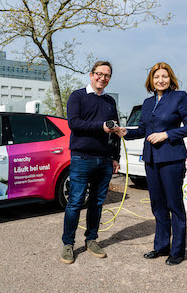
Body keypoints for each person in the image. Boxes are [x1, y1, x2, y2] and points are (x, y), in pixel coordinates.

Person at [117, 62, 187, 265]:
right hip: (151, 160)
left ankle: (178, 251)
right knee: (158, 206)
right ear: (151, 81)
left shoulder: (179, 97)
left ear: (170, 78)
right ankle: (161, 246)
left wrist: (166, 134)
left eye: (164, 76)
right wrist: (126, 132)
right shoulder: (146, 102)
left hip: (172, 159)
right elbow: (143, 130)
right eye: (156, 77)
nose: (160, 80)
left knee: (174, 205)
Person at [61, 61, 121, 264]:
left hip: (104, 160)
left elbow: (115, 132)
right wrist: (101, 126)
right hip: (82, 157)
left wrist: (115, 157)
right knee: (76, 201)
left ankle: (91, 239)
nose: (102, 78)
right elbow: (74, 123)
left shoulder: (110, 101)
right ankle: (68, 244)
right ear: (91, 75)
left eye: (107, 75)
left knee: (97, 202)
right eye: (99, 74)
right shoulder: (77, 96)